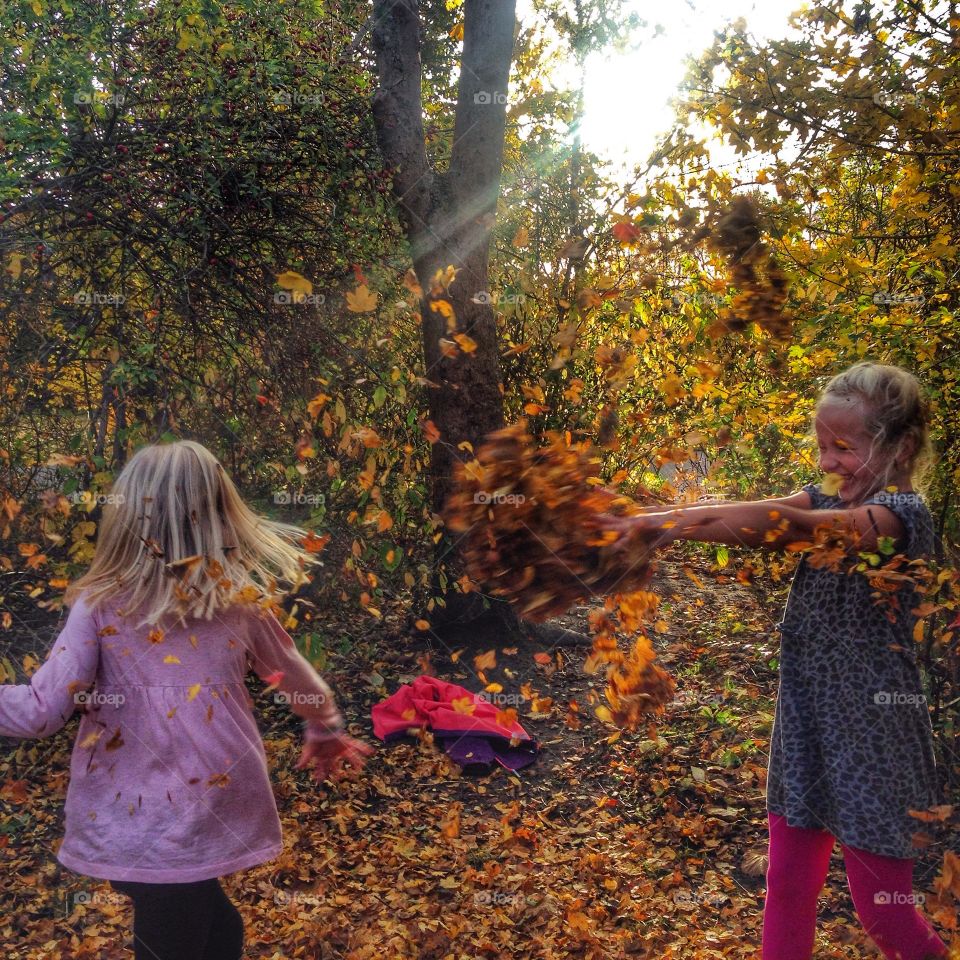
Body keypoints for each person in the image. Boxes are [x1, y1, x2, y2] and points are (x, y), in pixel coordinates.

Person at [609, 362, 948, 960]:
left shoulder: (900, 518)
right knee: (787, 887)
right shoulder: (822, 497)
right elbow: (745, 513)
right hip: (808, 727)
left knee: (883, 914)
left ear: (902, 447)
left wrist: (659, 526)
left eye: (844, 448)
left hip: (874, 740)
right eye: (822, 447)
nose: (826, 464)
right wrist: (647, 525)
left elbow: (788, 527)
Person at [0, 440, 373, 960]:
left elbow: (43, 710)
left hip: (142, 814)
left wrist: (325, 726)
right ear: (221, 514)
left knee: (186, 927)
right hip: (208, 799)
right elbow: (292, 675)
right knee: (196, 919)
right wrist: (324, 724)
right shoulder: (239, 600)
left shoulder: (102, 604)